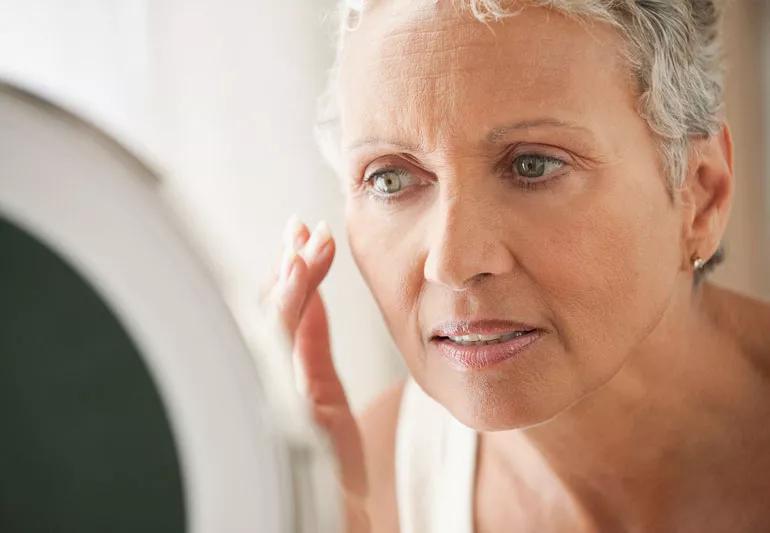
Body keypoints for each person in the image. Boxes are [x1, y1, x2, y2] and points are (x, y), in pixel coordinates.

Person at [261, 1, 770, 531]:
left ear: (700, 194)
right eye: (389, 179)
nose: (453, 263)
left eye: (533, 165)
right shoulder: (364, 491)